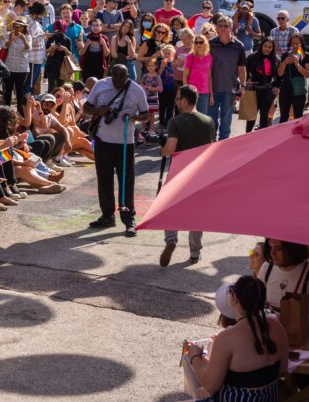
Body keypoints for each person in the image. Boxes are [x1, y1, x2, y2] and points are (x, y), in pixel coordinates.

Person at [159, 275, 288, 402]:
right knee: (202, 396)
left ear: (234, 299)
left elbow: (210, 383)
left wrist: (195, 357)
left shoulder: (228, 337)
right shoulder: (275, 323)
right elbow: (282, 369)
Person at [83, 64, 149, 237]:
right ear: (110, 75)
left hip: (125, 143)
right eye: (115, 78)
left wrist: (134, 117)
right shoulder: (100, 85)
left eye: (122, 78)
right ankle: (107, 216)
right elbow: (86, 109)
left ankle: (129, 219)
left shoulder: (136, 90)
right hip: (103, 140)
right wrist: (99, 110)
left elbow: (146, 115)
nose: (118, 82)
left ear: (128, 76)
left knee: (126, 181)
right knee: (104, 180)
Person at [159, 85, 215, 267]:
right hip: (200, 173)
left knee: (169, 207)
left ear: (184, 100)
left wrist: (163, 149)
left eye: (177, 99)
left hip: (179, 173)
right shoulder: (208, 121)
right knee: (197, 214)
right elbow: (211, 148)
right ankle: (194, 253)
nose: (176, 102)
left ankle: (171, 239)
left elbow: (170, 149)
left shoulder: (175, 122)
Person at [259, 240, 309, 332]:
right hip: (275, 337)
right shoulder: (266, 268)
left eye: (279, 249)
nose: (272, 253)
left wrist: (279, 318)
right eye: (270, 247)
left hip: (307, 342)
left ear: (293, 249)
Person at [209, 17, 247, 141]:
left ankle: (223, 144)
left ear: (231, 28)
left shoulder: (239, 46)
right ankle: (211, 142)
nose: (223, 28)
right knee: (211, 118)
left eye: (226, 26)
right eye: (220, 25)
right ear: (217, 28)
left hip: (229, 88)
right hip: (212, 88)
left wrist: (242, 86)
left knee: (226, 119)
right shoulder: (210, 44)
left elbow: (241, 68)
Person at [245, 38, 279, 133]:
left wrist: (276, 87)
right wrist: (247, 79)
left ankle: (262, 140)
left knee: (264, 116)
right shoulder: (252, 57)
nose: (267, 49)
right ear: (261, 46)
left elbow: (279, 76)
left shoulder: (275, 59)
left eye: (270, 47)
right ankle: (247, 136)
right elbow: (244, 69)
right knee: (251, 116)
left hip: (267, 91)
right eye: (265, 46)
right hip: (253, 90)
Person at [277, 32, 309, 122]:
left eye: (297, 43)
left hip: (298, 90)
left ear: (301, 43)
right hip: (285, 88)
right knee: (283, 117)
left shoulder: (306, 56)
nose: (295, 46)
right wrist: (284, 63)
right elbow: (280, 74)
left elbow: (307, 74)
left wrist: (298, 64)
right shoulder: (286, 55)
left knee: (298, 117)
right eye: (293, 43)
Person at [2, 16, 31, 106]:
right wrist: (11, 40)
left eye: (21, 26)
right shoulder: (8, 35)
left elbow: (28, 48)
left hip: (22, 68)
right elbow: (4, 46)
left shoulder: (28, 36)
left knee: (20, 91)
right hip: (9, 67)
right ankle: (6, 110)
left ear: (24, 27)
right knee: (7, 90)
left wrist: (23, 40)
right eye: (16, 25)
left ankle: (19, 112)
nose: (18, 28)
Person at [183, 35, 214, 116]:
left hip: (205, 92)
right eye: (196, 43)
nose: (198, 45)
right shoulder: (190, 57)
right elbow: (185, 75)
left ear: (205, 43)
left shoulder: (210, 57)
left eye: (201, 42)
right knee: (190, 116)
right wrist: (185, 92)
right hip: (191, 91)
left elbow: (209, 77)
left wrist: (211, 95)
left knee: (202, 116)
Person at [45, 21, 73, 92]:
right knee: (51, 86)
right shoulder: (51, 38)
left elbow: (70, 54)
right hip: (51, 65)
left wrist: (64, 49)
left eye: (61, 30)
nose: (59, 32)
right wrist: (52, 48)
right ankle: (50, 101)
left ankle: (60, 101)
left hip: (62, 66)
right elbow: (46, 51)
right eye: (57, 30)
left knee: (60, 87)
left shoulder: (67, 40)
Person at [27, 2, 47, 93]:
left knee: (33, 84)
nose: (41, 17)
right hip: (32, 60)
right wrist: (44, 35)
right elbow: (31, 41)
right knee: (29, 85)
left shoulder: (36, 23)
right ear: (35, 13)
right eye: (40, 14)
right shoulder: (29, 22)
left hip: (38, 59)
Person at [140, 58, 163, 139]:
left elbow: (161, 88)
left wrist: (153, 89)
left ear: (156, 66)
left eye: (152, 66)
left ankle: (151, 129)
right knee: (144, 113)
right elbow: (140, 85)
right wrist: (144, 87)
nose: (150, 67)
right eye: (148, 66)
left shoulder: (157, 76)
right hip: (145, 98)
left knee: (152, 114)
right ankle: (143, 128)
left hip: (153, 98)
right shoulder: (145, 76)